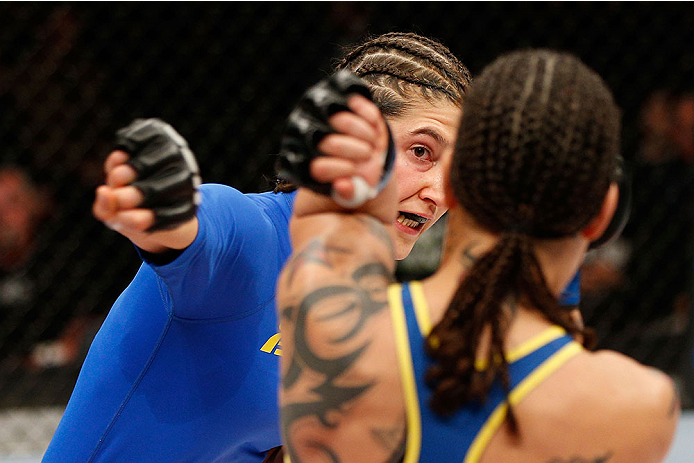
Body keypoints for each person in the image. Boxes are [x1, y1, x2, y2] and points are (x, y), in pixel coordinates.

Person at [43, 32, 471, 462]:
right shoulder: (254, 237)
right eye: (421, 151)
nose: (440, 193)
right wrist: (162, 210)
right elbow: (202, 227)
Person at [277, 49, 679, 462]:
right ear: (603, 214)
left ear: (449, 178)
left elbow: (332, 222)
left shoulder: (326, 311)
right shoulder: (638, 407)